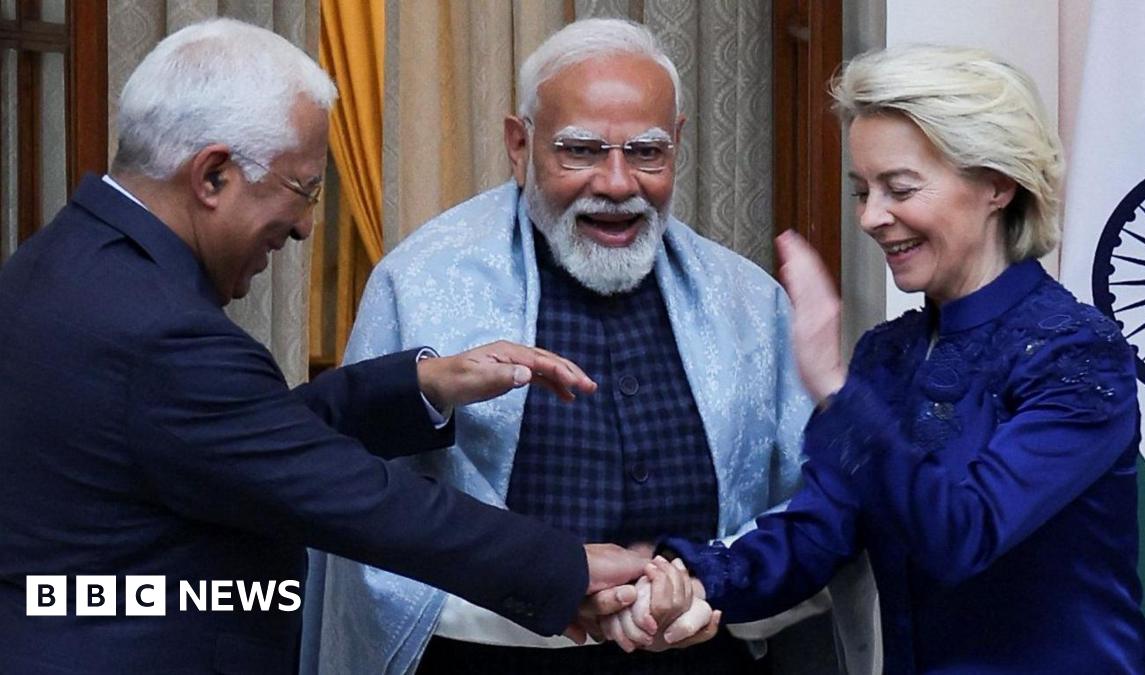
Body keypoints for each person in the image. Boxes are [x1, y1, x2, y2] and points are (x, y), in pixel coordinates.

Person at [0, 18, 673, 675]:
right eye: (304, 188)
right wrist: (565, 566)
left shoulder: (60, 260)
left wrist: (424, 385)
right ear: (212, 177)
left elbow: (233, 439)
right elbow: (357, 498)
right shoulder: (164, 334)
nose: (304, 226)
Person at [306, 17, 845, 675]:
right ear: (518, 143)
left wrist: (701, 581)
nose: (617, 184)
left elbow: (811, 498)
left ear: (676, 143)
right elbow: (354, 501)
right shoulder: (421, 283)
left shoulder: (748, 300)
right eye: (581, 150)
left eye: (646, 152)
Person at [659, 45, 1145, 673]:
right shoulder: (887, 355)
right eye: (861, 190)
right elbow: (818, 533)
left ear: (998, 184)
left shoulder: (1079, 354)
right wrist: (688, 580)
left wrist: (834, 388)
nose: (870, 216)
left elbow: (964, 534)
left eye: (899, 187)